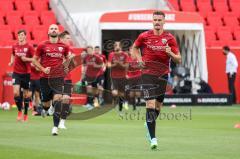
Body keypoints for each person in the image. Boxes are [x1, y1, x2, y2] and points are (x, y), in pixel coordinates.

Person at [132, 10, 181, 149]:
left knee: (158, 106)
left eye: (160, 20)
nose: (157, 22)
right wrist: (139, 59)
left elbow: (179, 59)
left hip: (163, 75)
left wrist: (169, 52)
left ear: (164, 21)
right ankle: (153, 139)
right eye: (155, 20)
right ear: (152, 21)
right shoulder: (144, 36)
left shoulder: (170, 38)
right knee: (150, 105)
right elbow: (134, 48)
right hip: (147, 74)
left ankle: (148, 124)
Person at [32, 24, 70, 136]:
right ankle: (46, 108)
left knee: (58, 98)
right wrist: (43, 69)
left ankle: (55, 127)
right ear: (48, 32)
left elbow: (68, 59)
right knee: (46, 104)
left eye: (55, 29)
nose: (54, 30)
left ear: (58, 32)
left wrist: (65, 65)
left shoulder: (64, 46)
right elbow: (34, 60)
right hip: (45, 78)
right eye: (51, 28)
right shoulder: (42, 45)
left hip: (58, 77)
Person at [9, 29, 34, 122]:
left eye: (22, 35)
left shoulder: (29, 47)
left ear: (25, 36)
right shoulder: (14, 46)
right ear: (18, 36)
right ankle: (20, 110)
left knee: (26, 95)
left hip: (26, 73)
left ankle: (26, 113)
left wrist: (26, 59)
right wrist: (11, 61)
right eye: (19, 35)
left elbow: (34, 59)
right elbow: (12, 54)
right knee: (16, 93)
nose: (20, 37)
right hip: (16, 73)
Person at [58, 30, 75, 129]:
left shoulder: (70, 50)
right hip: (57, 78)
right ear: (62, 39)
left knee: (66, 99)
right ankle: (52, 107)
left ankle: (62, 122)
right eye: (68, 38)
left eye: (70, 38)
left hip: (67, 78)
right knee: (57, 98)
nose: (70, 40)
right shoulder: (56, 50)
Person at [108, 41, 129, 113]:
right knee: (114, 92)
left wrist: (120, 64)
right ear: (114, 47)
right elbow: (108, 65)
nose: (117, 47)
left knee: (121, 93)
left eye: (118, 46)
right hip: (114, 76)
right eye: (116, 45)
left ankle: (120, 106)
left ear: (121, 47)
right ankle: (114, 101)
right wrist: (114, 64)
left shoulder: (125, 55)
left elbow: (126, 65)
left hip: (122, 76)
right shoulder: (111, 54)